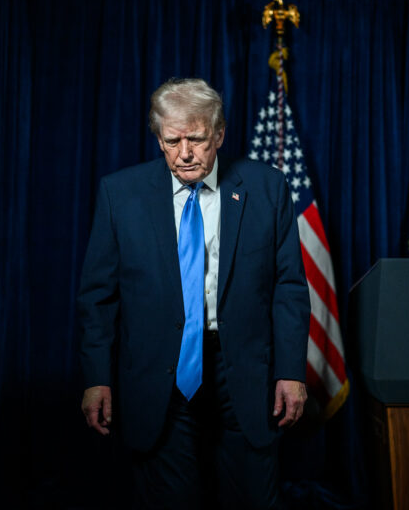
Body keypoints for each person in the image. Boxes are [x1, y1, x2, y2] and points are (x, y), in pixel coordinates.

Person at [78, 78, 311, 509]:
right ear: (159, 139)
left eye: (197, 139)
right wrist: (97, 378)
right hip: (158, 374)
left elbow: (289, 288)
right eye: (172, 141)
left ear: (219, 134)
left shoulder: (267, 187)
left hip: (241, 369)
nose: (184, 152)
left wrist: (291, 371)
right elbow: (98, 298)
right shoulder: (120, 194)